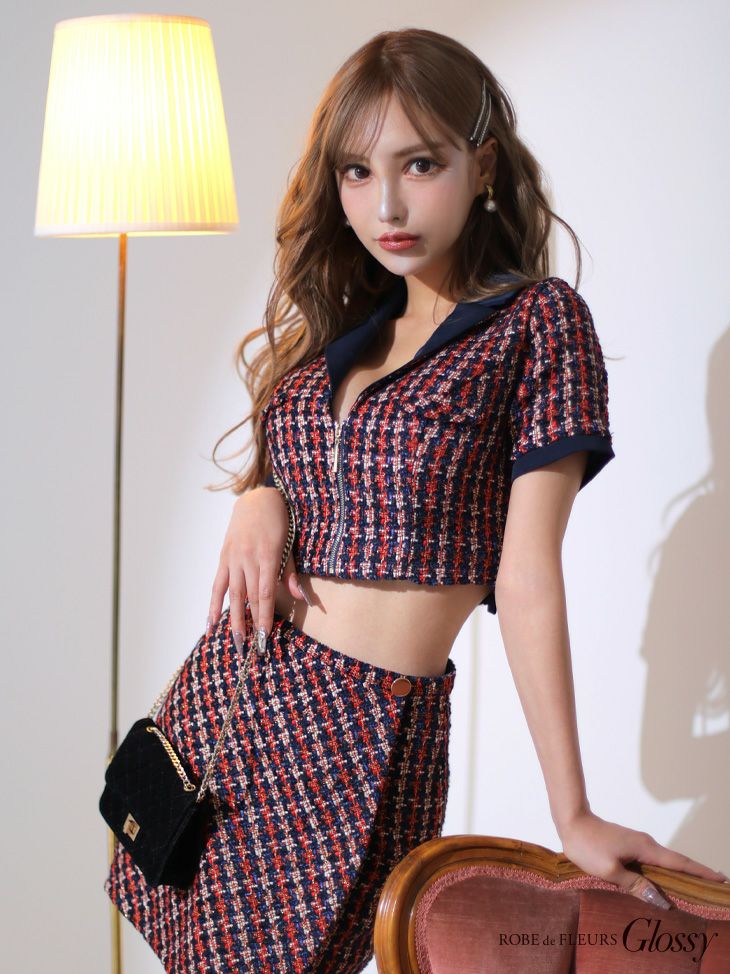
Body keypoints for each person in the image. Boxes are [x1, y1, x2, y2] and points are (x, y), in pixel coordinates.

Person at [104, 26, 727, 974]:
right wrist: (260, 495)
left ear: (483, 166)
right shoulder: (348, 331)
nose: (385, 205)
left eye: (419, 164)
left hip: (357, 743)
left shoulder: (536, 324)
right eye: (357, 172)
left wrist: (571, 812)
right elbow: (307, 475)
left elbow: (526, 577)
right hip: (226, 711)